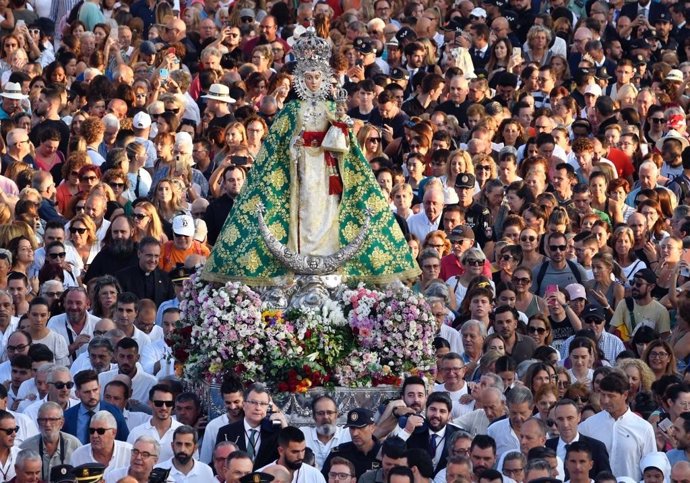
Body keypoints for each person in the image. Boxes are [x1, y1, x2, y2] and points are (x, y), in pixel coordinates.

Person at [202, 29, 418, 286]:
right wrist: (294, 147)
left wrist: (339, 127)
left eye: (318, 76)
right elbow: (275, 151)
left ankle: (328, 261)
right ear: (300, 80)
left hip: (328, 172)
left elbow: (347, 148)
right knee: (301, 210)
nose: (313, 81)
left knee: (327, 211)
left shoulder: (332, 108)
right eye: (308, 76)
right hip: (299, 172)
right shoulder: (290, 112)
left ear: (325, 78)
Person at [578, 371, 655, 480]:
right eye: (602, 394)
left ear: (625, 395)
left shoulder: (644, 428)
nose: (605, 400)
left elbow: (650, 466)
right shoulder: (587, 426)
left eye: (611, 396)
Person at [216, 383, 284, 469]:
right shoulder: (226, 432)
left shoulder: (275, 432)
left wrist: (284, 425)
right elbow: (218, 465)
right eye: (253, 402)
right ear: (244, 405)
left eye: (263, 404)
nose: (258, 408)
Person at [546, 399, 610, 479]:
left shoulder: (596, 448)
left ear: (579, 417)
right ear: (555, 420)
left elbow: (606, 480)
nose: (565, 424)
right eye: (560, 419)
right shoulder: (546, 446)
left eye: (570, 418)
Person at [399, 392, 459, 475]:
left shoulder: (458, 436)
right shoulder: (413, 430)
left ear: (449, 415)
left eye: (442, 411)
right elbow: (393, 452)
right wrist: (407, 431)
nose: (436, 415)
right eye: (433, 409)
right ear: (426, 410)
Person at [20, 401, 81, 482]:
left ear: (61, 423)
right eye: (43, 420)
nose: (47, 424)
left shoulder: (74, 445)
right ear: (38, 423)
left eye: (52, 420)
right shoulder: (26, 447)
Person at [63, 370, 128, 444]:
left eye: (95, 390)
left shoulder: (114, 413)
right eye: (87, 392)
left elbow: (124, 442)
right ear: (77, 394)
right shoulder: (68, 416)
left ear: (99, 388)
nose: (92, 396)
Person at [126, 385, 181, 463]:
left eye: (169, 403)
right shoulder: (136, 433)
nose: (164, 408)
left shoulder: (182, 431)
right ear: (150, 403)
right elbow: (128, 462)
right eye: (159, 403)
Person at [322, 408, 381, 479]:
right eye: (352, 428)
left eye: (360, 428)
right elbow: (322, 479)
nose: (355, 433)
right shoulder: (340, 453)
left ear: (372, 428)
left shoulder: (384, 454)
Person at [301, 395, 351, 470]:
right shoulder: (304, 434)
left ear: (336, 415)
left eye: (330, 412)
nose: (326, 417)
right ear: (314, 416)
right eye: (320, 413)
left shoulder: (348, 434)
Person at [487, 386, 533, 457]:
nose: (518, 418)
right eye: (514, 413)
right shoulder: (494, 430)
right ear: (508, 408)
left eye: (522, 413)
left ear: (531, 409)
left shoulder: (540, 430)